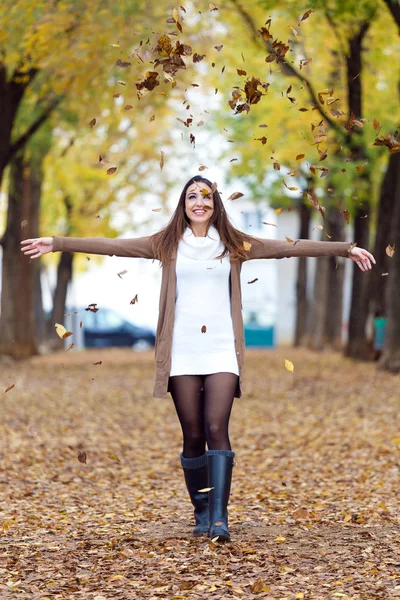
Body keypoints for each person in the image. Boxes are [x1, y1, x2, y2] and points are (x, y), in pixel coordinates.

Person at [21, 176, 376, 542]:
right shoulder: (166, 243)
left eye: (206, 196)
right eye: (192, 196)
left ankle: (220, 518)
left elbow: (289, 247)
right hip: (181, 350)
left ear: (215, 203)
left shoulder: (237, 244)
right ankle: (202, 511)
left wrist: (344, 249)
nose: (199, 202)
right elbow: (114, 245)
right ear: (184, 204)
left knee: (215, 428)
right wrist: (57, 243)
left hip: (222, 348)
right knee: (192, 435)